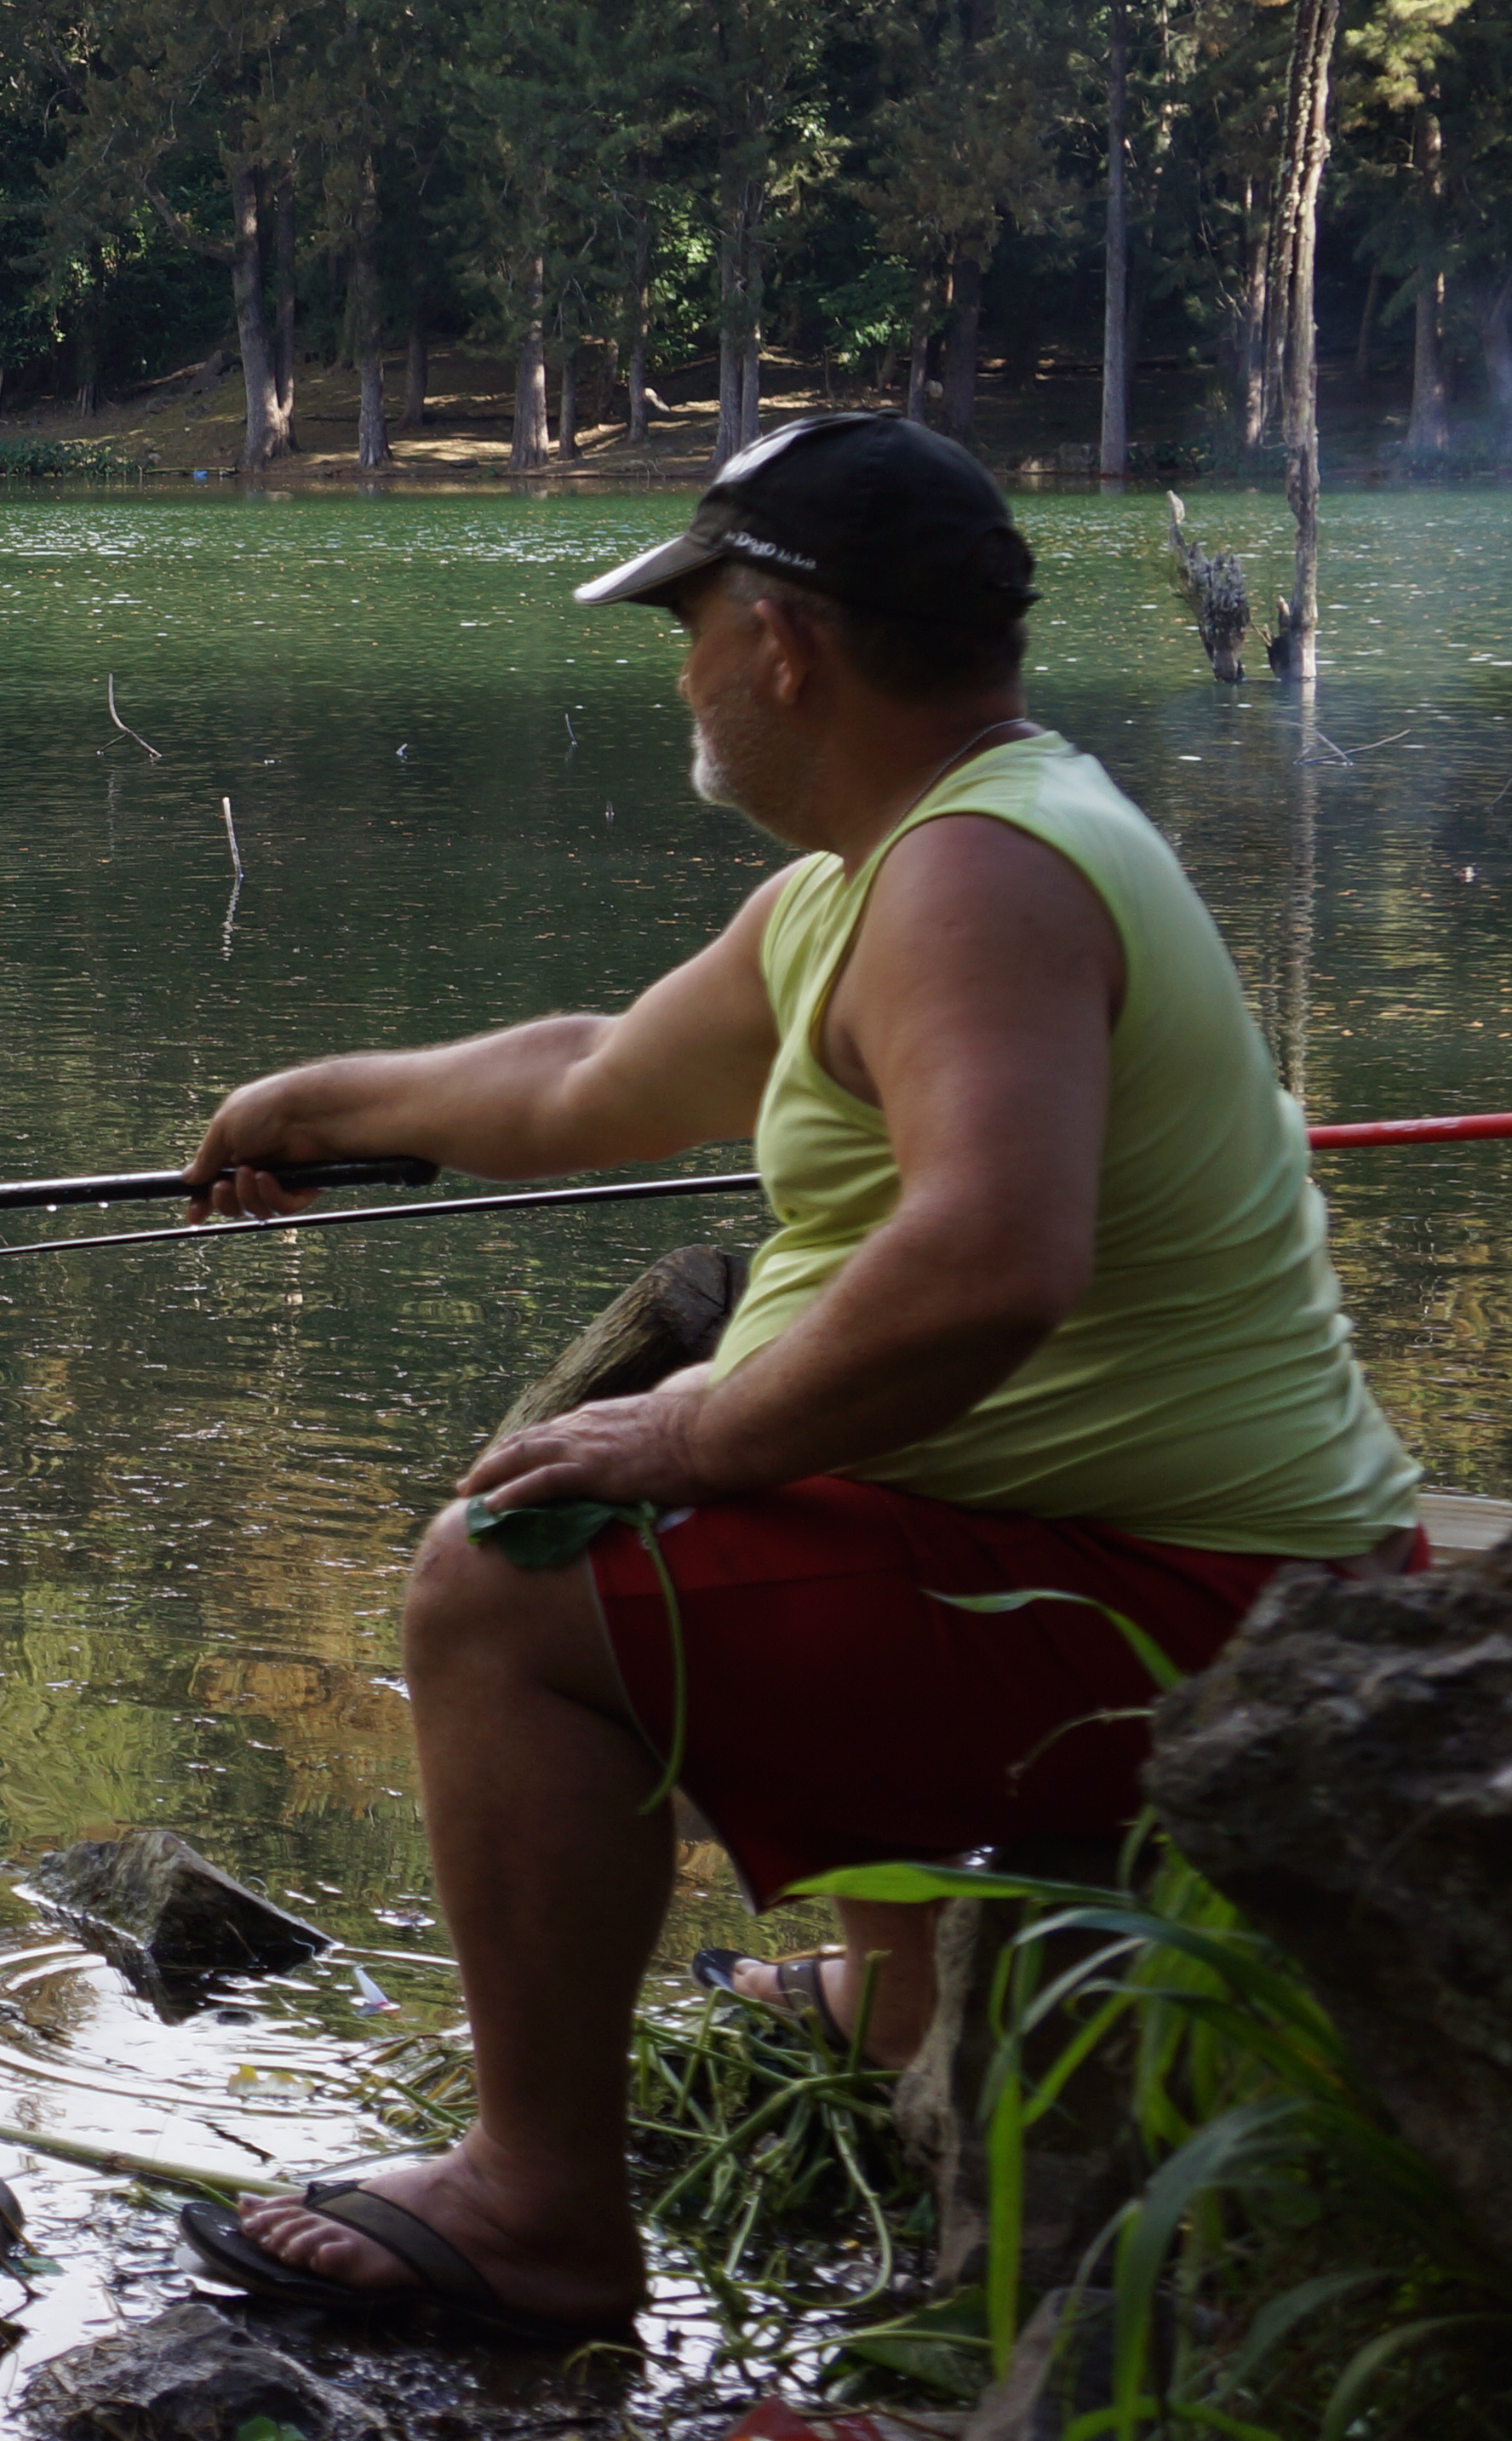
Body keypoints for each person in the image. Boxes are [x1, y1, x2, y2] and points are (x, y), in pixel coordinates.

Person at [172, 413, 1421, 2347]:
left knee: (501, 1587)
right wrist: (317, 1104)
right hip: (1137, 1560)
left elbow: (994, 1262)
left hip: (1221, 1616)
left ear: (782, 643)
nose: (679, 670)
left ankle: (538, 2210)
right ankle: (894, 1991)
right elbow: (595, 1074)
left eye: (686, 621)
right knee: (775, 1486)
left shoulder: (978, 877)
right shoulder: (892, 862)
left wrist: (685, 1426)